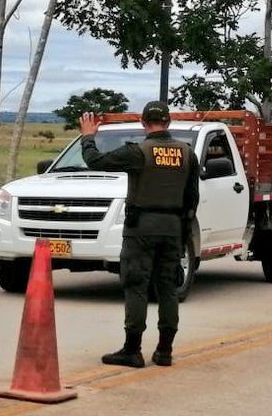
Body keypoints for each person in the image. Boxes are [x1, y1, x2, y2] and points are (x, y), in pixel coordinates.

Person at [79, 102, 199, 367]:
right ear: (168, 123)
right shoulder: (187, 153)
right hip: (173, 228)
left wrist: (88, 136)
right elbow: (192, 200)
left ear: (144, 124)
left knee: (136, 286)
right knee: (168, 288)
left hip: (141, 228)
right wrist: (182, 235)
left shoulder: (138, 152)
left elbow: (95, 161)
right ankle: (165, 351)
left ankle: (132, 349)